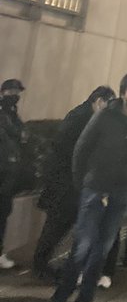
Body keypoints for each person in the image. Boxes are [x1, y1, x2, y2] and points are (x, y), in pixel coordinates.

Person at [47, 72, 127, 302]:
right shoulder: (105, 117)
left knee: (101, 250)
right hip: (95, 189)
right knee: (82, 246)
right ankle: (59, 301)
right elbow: (81, 149)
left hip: (121, 191)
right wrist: (84, 183)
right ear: (123, 92)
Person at [32, 86, 115, 279]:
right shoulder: (80, 119)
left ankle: (49, 265)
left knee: (65, 226)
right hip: (66, 184)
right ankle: (41, 265)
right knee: (57, 226)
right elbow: (72, 152)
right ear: (99, 101)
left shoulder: (85, 117)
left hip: (72, 184)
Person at [0, 78, 26, 270]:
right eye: (12, 92)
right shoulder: (4, 113)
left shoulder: (12, 112)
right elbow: (16, 134)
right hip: (3, 170)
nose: (15, 95)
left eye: (17, 92)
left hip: (8, 171)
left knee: (3, 213)